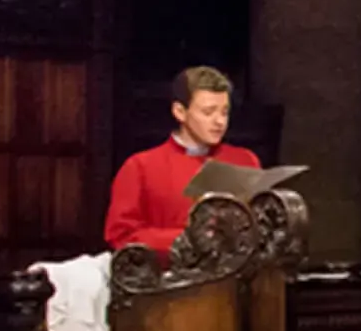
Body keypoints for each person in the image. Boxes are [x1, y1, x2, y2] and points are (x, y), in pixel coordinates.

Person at [105, 66, 264, 253]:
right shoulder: (141, 167)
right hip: (169, 275)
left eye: (224, 112)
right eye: (208, 112)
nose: (219, 121)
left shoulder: (244, 160)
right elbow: (121, 236)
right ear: (180, 112)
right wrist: (190, 239)